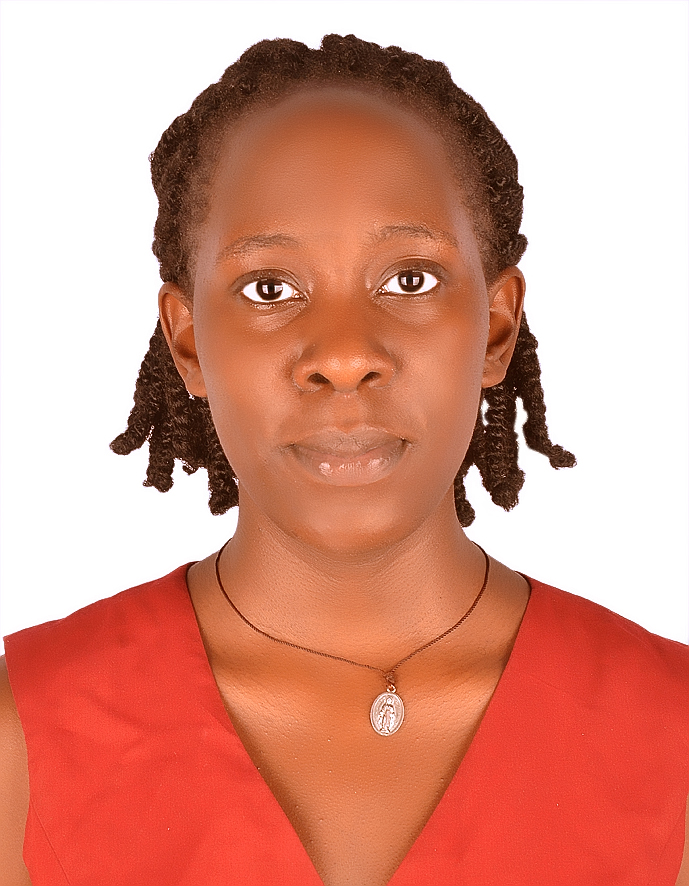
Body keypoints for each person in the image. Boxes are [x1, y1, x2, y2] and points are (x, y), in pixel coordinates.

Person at [0, 34, 687, 885]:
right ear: (188, 343)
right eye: (269, 288)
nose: (344, 355)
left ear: (496, 327)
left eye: (409, 280)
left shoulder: (671, 731)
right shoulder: (25, 734)